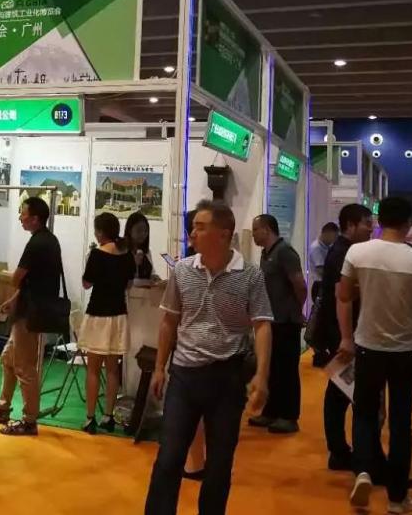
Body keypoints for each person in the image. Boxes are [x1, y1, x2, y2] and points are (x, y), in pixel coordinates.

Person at [144, 200, 272, 515]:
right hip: (184, 376)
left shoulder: (250, 276)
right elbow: (169, 320)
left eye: (200, 227)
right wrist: (160, 367)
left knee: (219, 463)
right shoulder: (183, 271)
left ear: (223, 234)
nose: (192, 233)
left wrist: (261, 376)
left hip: (227, 379)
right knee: (169, 457)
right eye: (193, 227)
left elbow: (262, 325)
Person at [337, 196, 412, 515]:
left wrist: (347, 335)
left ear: (379, 220)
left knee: (365, 413)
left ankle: (363, 471)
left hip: (367, 347)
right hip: (406, 352)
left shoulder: (357, 252)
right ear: (408, 223)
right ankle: (397, 498)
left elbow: (343, 296)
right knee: (400, 421)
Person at [0, 196, 63, 437]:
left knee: (25, 367)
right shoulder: (50, 241)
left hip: (30, 315)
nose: (20, 217)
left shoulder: (37, 243)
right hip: (28, 309)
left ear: (35, 218)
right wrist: (12, 301)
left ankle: (29, 420)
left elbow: (17, 279)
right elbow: (32, 282)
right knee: (8, 358)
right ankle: (2, 407)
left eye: (23, 213)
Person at [316, 204, 374, 472]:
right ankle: (339, 451)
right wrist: (346, 337)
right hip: (342, 334)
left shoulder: (345, 250)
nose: (371, 228)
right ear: (350, 225)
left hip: (341, 333)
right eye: (366, 223)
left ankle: (340, 450)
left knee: (341, 391)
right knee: (342, 392)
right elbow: (343, 296)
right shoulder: (343, 253)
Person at [79, 212, 136, 434]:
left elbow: (86, 284)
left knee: (93, 369)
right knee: (113, 369)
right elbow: (129, 285)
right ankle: (108, 416)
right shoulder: (127, 255)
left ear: (100, 232)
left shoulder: (97, 254)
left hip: (98, 315)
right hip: (119, 315)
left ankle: (90, 418)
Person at [249, 214, 305, 434]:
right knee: (272, 368)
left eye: (255, 230)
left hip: (286, 321)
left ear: (267, 229)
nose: (253, 234)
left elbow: (300, 285)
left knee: (287, 370)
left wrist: (295, 310)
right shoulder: (266, 254)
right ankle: (271, 411)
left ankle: (289, 416)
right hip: (272, 320)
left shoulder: (285, 252)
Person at [308, 222, 339, 303]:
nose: (335, 240)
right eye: (334, 236)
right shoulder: (316, 248)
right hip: (320, 285)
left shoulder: (328, 247)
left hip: (327, 284)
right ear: (326, 234)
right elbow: (321, 270)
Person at [125, 211, 154, 279]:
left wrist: (154, 277)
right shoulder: (121, 251)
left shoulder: (146, 251)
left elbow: (151, 272)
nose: (143, 234)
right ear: (129, 230)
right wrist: (134, 264)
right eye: (139, 230)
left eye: (146, 231)